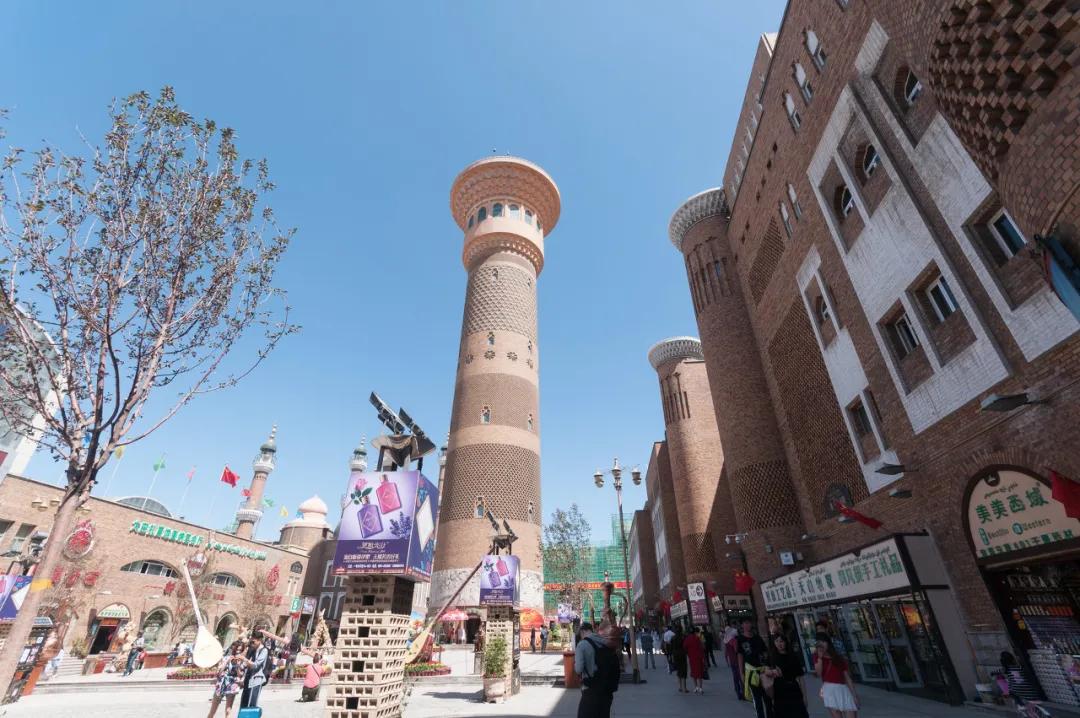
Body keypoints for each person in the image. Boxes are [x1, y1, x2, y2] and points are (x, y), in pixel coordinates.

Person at [574, 623, 620, 718]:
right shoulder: (605, 641)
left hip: (590, 689)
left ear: (582, 632)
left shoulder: (582, 645)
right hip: (606, 690)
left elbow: (578, 669)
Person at [813, 636, 858, 718]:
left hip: (843, 689)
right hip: (829, 690)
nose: (822, 645)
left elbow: (847, 678)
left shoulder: (839, 658)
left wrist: (854, 696)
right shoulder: (818, 658)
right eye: (819, 643)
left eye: (824, 642)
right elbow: (818, 674)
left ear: (828, 643)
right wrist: (820, 657)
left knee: (851, 713)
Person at [736, 619, 772, 718]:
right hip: (751, 672)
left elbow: (765, 652)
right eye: (745, 623)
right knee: (757, 698)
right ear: (742, 625)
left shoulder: (757, 638)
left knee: (767, 697)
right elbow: (740, 656)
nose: (747, 625)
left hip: (763, 671)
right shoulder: (740, 639)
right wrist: (741, 672)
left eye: (749, 623)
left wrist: (767, 665)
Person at [767, 633, 809, 718]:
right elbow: (766, 671)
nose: (779, 644)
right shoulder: (772, 657)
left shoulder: (793, 656)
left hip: (793, 690)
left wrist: (804, 696)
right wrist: (771, 672)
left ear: (785, 642)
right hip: (780, 692)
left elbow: (800, 677)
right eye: (777, 641)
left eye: (781, 641)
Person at [208, 641, 247, 718]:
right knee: (213, 710)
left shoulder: (242, 661)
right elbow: (219, 672)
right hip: (221, 684)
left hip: (232, 685)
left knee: (228, 710)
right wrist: (227, 661)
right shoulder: (225, 658)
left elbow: (240, 675)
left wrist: (238, 666)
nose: (238, 651)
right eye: (237, 649)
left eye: (240, 650)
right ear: (233, 648)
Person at [240, 633, 269, 709]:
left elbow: (256, 665)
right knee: (244, 703)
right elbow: (245, 664)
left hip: (256, 679)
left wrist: (244, 659)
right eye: (251, 642)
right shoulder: (252, 649)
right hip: (248, 678)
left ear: (260, 640)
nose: (252, 644)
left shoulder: (264, 650)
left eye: (253, 642)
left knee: (251, 704)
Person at [683, 626, 706, 694]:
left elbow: (684, 646)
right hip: (699, 657)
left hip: (692, 657)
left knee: (694, 672)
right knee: (700, 672)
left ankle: (696, 687)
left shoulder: (687, 638)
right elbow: (702, 647)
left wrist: (688, 652)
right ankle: (700, 688)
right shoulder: (698, 638)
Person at [724, 621, 742, 700]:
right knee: (740, 676)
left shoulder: (726, 641)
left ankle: (737, 690)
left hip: (732, 660)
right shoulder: (733, 641)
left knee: (735, 676)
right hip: (737, 660)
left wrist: (726, 660)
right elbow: (736, 650)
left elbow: (726, 652)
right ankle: (741, 692)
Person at [669, 626, 688, 693]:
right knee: (683, 671)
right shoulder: (684, 637)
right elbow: (686, 646)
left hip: (675, 655)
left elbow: (671, 647)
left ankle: (680, 687)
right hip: (682, 654)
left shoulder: (673, 638)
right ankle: (684, 688)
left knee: (678, 670)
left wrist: (671, 656)